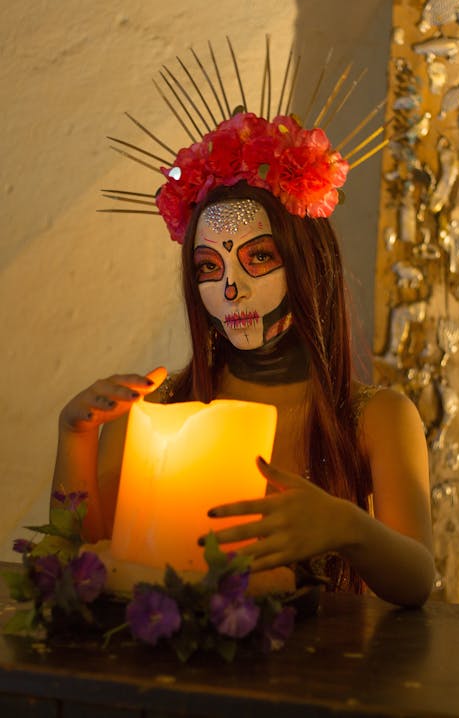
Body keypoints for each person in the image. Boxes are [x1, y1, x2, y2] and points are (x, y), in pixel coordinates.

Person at [52, 101, 435, 608]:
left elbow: (417, 579)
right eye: (209, 267)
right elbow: (82, 557)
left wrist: (349, 527)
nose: (231, 289)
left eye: (259, 257)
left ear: (310, 265)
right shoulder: (156, 412)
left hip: (322, 680)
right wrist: (75, 437)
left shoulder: (376, 417)